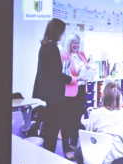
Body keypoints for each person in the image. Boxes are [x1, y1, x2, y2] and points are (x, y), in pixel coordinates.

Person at [33, 18, 83, 154]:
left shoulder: (44, 46)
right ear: (57, 32)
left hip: (48, 94)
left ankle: (48, 153)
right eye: (62, 32)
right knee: (53, 128)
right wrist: (73, 79)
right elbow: (56, 74)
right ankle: (50, 154)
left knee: (50, 126)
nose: (62, 35)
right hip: (55, 95)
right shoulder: (53, 48)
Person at [73, 82, 123, 164]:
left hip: (96, 155)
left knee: (78, 152)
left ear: (104, 97)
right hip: (116, 155)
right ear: (119, 98)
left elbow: (89, 133)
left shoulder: (94, 113)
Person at [61, 33, 91, 161]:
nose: (76, 46)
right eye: (74, 43)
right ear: (69, 44)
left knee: (76, 120)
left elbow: (85, 67)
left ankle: (74, 145)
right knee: (67, 121)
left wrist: (90, 68)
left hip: (81, 91)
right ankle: (66, 148)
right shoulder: (65, 55)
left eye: (78, 43)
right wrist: (77, 78)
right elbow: (65, 76)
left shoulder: (81, 54)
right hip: (70, 91)